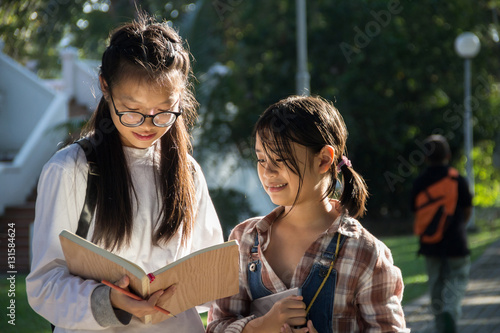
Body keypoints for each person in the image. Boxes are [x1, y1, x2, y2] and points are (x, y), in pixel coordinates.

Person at [26, 13, 223, 333]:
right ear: (106, 86)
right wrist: (112, 303)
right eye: (132, 111)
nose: (148, 124)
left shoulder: (187, 171)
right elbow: (45, 285)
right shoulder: (71, 169)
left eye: (163, 112)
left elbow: (207, 277)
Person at [207, 96, 408, 332]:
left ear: (324, 160)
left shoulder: (366, 254)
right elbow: (217, 326)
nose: (268, 172)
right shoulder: (244, 239)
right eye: (261, 159)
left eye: (280, 159)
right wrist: (260, 326)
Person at [411, 134, 472, 333]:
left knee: (435, 284)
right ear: (448, 154)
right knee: (458, 278)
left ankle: (440, 325)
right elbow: (467, 210)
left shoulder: (419, 182)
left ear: (426, 158)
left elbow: (416, 212)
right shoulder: (457, 179)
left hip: (430, 243)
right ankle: (450, 310)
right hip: (456, 242)